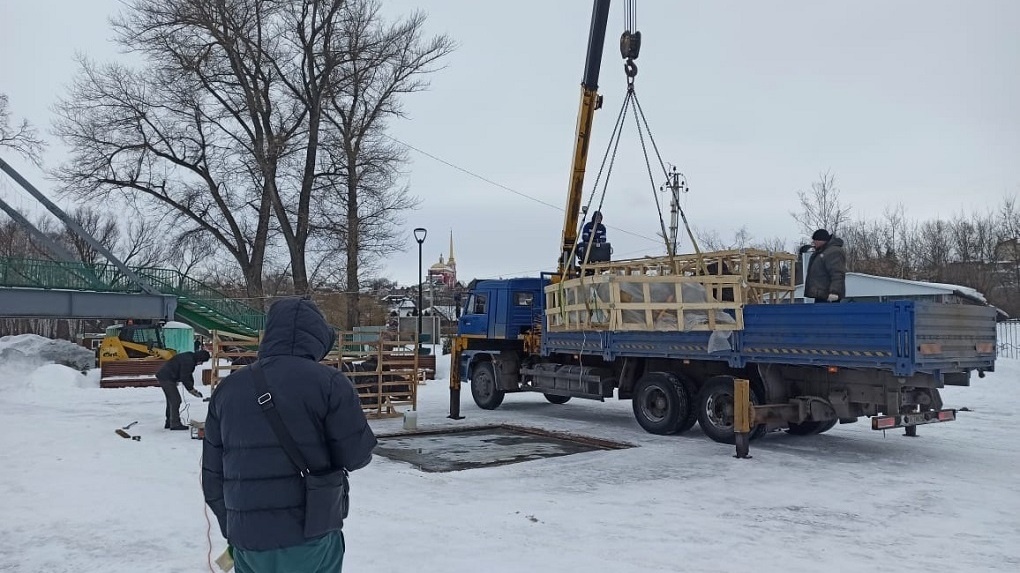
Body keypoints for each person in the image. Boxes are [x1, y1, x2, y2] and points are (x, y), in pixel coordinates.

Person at [202, 297, 377, 572]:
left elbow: (212, 478)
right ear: (318, 338)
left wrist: (235, 526)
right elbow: (357, 455)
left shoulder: (227, 390)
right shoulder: (330, 383)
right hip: (309, 533)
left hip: (247, 539)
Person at [155, 349, 210, 430]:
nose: (201, 364)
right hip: (166, 378)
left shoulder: (190, 357)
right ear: (200, 358)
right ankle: (175, 424)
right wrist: (191, 389)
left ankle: (169, 422)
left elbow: (188, 374)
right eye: (202, 362)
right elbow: (185, 376)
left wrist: (192, 388)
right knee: (175, 400)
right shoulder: (188, 361)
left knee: (171, 400)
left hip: (166, 376)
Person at [804, 228, 846, 303]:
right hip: (822, 295)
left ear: (820, 240)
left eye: (815, 241)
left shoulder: (833, 252)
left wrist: (834, 292)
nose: (813, 243)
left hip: (829, 296)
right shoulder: (822, 252)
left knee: (827, 314)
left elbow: (837, 273)